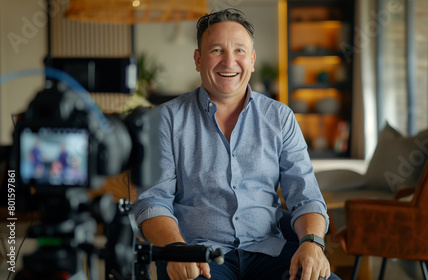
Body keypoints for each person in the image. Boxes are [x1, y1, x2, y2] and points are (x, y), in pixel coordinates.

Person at [133, 8, 341, 280]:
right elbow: (152, 201)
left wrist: (312, 243)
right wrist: (176, 249)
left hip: (271, 254)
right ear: (198, 59)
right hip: (200, 258)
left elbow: (306, 197)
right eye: (216, 50)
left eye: (240, 51)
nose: (229, 62)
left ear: (252, 60)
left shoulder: (280, 117)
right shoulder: (164, 119)